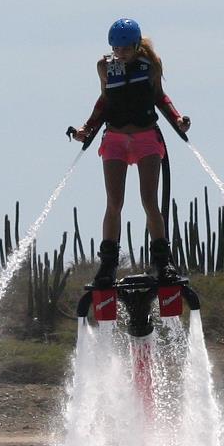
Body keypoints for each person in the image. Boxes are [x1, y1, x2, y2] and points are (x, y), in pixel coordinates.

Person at [70, 18, 190, 286]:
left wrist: (178, 119)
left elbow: (160, 96)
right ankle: (108, 266)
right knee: (114, 203)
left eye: (125, 48)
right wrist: (85, 128)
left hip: (146, 137)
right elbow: (104, 101)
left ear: (136, 46)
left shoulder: (151, 65)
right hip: (114, 138)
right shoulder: (105, 66)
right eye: (116, 48)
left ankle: (163, 264)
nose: (120, 53)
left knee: (149, 201)